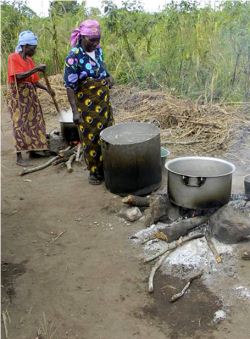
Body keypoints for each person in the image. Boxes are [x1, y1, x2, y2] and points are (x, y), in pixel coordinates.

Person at [64, 19, 114, 185]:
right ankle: (94, 172)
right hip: (87, 106)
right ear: (82, 37)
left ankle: (107, 169)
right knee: (91, 139)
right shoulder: (74, 56)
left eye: (98, 39)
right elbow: (70, 86)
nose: (95, 43)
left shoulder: (98, 51)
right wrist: (75, 111)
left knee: (108, 135)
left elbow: (102, 67)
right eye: (92, 40)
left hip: (104, 103)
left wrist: (108, 76)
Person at [7, 30, 54, 166]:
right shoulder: (13, 57)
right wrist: (36, 69)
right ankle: (19, 157)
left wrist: (47, 89)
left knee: (35, 121)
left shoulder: (30, 60)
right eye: (33, 48)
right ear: (25, 46)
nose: (35, 51)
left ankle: (34, 150)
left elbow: (34, 81)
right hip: (18, 96)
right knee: (19, 123)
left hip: (30, 96)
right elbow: (17, 76)